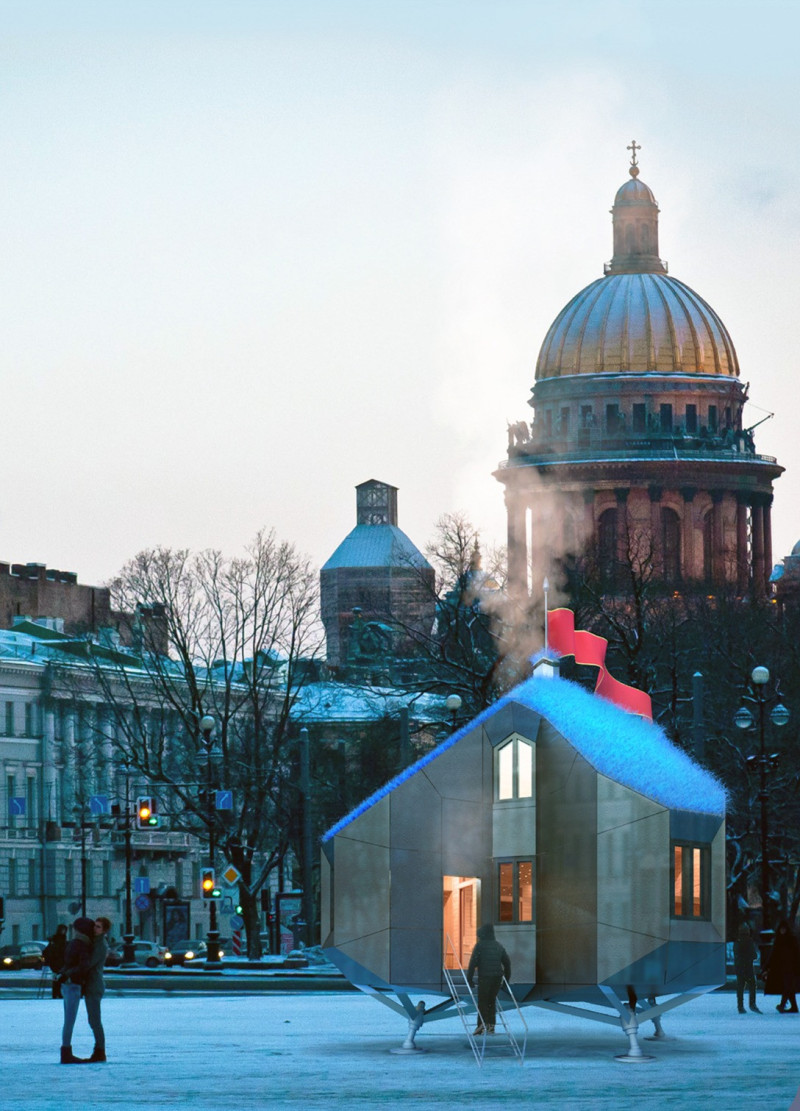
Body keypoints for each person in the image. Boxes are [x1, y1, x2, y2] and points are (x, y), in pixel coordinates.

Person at [57, 917, 95, 1064]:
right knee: (70, 1020)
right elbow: (83, 965)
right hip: (74, 983)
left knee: (68, 1019)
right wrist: (69, 974)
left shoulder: (72, 943)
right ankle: (66, 1052)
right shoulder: (83, 945)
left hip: (67, 983)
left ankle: (66, 1051)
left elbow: (67, 962)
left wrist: (63, 973)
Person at [466, 924, 511, 1036]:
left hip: (485, 977)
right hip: (497, 978)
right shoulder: (498, 946)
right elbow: (507, 963)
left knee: (483, 1002)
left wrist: (469, 979)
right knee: (491, 1001)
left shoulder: (480, 946)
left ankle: (480, 1025)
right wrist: (506, 980)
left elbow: (472, 963)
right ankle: (491, 1025)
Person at [83, 917, 112, 1063]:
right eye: (95, 926)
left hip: (94, 985)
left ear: (104, 930)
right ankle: (99, 1049)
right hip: (92, 984)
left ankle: (100, 1050)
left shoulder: (100, 945)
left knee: (95, 1020)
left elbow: (90, 963)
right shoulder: (95, 942)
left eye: (98, 927)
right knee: (93, 1019)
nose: (95, 929)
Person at [765, 919, 800, 1013]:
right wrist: (767, 966)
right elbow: (774, 955)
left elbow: (796, 953)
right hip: (782, 967)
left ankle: (782, 1005)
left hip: (791, 967)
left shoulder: (791, 939)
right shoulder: (779, 940)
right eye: (781, 929)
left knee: (788, 986)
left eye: (784, 929)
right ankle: (793, 1007)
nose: (782, 931)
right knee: (789, 987)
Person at [733, 922, 761, 1013]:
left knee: (740, 987)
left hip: (739, 967)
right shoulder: (749, 941)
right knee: (752, 985)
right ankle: (752, 1004)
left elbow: (736, 954)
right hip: (748, 967)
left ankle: (740, 1006)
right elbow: (754, 955)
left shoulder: (737, 941)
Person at [43, 924, 68, 1000]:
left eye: (64, 930)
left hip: (61, 961)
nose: (63, 932)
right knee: (57, 978)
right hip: (55, 961)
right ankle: (55, 993)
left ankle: (58, 993)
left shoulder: (63, 939)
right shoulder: (55, 939)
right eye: (62, 930)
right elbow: (49, 951)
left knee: (60, 978)